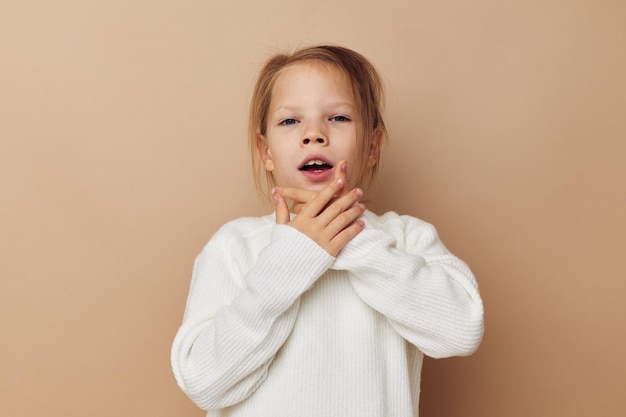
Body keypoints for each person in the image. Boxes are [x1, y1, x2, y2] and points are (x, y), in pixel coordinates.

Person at [171, 44, 484, 417]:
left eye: (338, 118)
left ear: (372, 145)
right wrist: (290, 260)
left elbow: (461, 331)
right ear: (265, 151)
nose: (314, 134)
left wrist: (353, 238)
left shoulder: (405, 239)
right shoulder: (234, 247)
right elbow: (204, 382)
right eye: (290, 121)